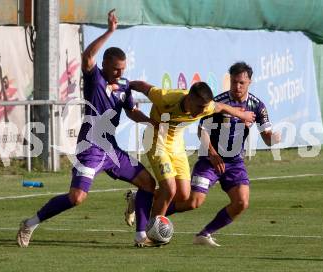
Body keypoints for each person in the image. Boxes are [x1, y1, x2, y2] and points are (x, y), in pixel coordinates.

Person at [17, 9, 162, 248]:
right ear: (104, 64)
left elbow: (131, 112)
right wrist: (110, 31)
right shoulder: (96, 79)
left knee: (148, 184)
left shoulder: (124, 86)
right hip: (91, 147)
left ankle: (140, 236)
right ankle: (30, 223)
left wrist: (151, 122)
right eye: (116, 68)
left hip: (111, 148)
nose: (120, 73)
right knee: (77, 198)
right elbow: (87, 57)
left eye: (123, 69)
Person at [164, 62, 281, 246]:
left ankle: (204, 234)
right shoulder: (217, 103)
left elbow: (268, 139)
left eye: (242, 82)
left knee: (241, 202)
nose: (237, 86)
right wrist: (212, 153)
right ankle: (151, 212)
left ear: (249, 81)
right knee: (193, 202)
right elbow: (202, 130)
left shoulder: (257, 106)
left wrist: (274, 138)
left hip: (234, 162)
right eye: (234, 82)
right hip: (210, 160)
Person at [124, 79, 256, 236]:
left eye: (205, 107)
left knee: (183, 194)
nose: (202, 111)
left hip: (176, 144)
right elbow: (143, 87)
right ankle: (151, 233)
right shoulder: (167, 98)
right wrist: (126, 85)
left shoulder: (206, 106)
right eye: (199, 107)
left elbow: (221, 107)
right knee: (169, 189)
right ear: (189, 98)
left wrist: (243, 114)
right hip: (155, 141)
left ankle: (139, 197)